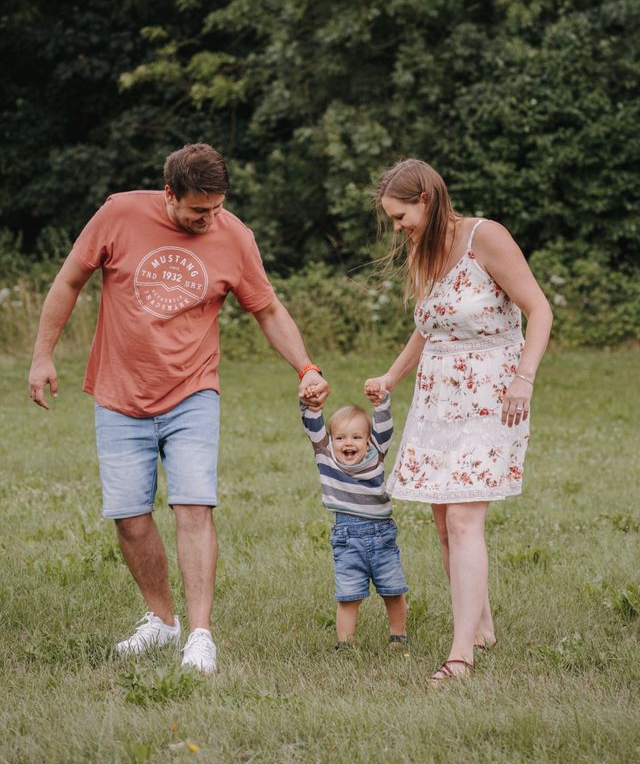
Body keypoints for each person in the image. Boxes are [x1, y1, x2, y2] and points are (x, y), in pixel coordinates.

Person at [28, 143, 330, 673]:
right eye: (198, 211)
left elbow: (267, 309)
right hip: (120, 393)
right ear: (170, 194)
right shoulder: (119, 213)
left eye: (216, 208)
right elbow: (69, 280)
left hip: (193, 391)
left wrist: (306, 367)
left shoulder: (233, 235)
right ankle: (162, 622)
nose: (209, 219)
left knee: (194, 506)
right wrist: (42, 356)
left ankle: (199, 635)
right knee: (128, 517)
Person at [366, 158, 552, 682]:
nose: (397, 228)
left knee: (466, 521)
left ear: (425, 199)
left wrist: (525, 377)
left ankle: (461, 654)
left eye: (401, 216)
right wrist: (393, 377)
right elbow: (429, 327)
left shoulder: (484, 237)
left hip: (494, 393)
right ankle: (483, 627)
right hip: (437, 399)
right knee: (445, 525)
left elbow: (539, 310)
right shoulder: (424, 249)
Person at [300, 379, 408, 650]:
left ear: (369, 441)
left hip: (382, 535)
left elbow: (384, 427)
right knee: (348, 596)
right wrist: (310, 404)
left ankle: (398, 636)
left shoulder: (377, 454)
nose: (348, 443)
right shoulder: (326, 457)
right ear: (331, 441)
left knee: (393, 591)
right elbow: (312, 426)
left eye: (357, 437)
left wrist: (381, 402)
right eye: (340, 438)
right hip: (347, 538)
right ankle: (345, 644)